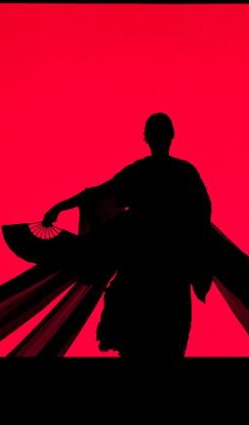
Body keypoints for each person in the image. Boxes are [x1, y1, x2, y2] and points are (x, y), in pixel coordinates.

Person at [41, 113, 212, 359]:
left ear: (147, 138)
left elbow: (98, 193)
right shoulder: (185, 173)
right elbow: (202, 214)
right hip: (171, 272)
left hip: (139, 271)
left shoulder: (139, 172)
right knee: (169, 344)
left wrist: (60, 207)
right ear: (171, 137)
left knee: (136, 345)